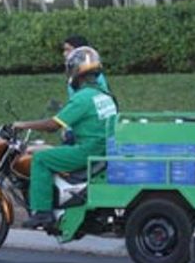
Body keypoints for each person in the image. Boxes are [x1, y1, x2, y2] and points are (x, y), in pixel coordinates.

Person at [13, 47, 118, 229]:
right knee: (50, 152)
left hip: (87, 150)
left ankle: (43, 213)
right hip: (103, 149)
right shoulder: (104, 95)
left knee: (40, 159)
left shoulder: (82, 98)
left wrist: (21, 124)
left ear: (76, 71)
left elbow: (53, 125)